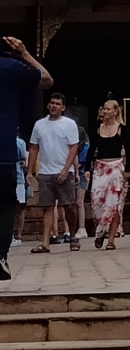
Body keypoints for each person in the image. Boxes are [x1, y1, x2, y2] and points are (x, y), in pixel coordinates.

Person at [0, 37, 51, 276]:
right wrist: (24, 53)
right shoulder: (11, 67)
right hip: (4, 151)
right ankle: (1, 255)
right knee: (6, 204)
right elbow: (47, 79)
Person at [28, 93, 80, 255]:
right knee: (47, 207)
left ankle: (73, 235)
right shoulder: (39, 125)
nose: (54, 106)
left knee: (69, 206)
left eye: (58, 103)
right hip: (45, 171)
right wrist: (30, 171)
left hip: (64, 171)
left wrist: (66, 169)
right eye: (52, 103)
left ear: (63, 107)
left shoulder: (69, 124)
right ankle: (45, 242)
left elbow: (73, 147)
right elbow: (34, 147)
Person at [88, 99, 130, 250]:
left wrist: (127, 169)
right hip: (100, 167)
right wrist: (87, 168)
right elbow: (91, 149)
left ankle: (112, 239)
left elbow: (128, 149)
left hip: (116, 167)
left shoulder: (121, 129)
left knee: (114, 204)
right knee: (97, 202)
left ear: (115, 111)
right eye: (104, 109)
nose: (105, 111)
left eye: (108, 109)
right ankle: (101, 230)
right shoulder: (97, 128)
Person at [11, 135, 27, 247]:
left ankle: (18, 236)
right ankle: (10, 235)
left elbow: (23, 159)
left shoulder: (19, 142)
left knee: (20, 207)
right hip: (7, 178)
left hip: (18, 178)